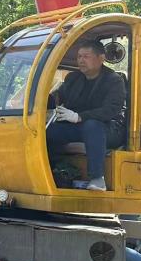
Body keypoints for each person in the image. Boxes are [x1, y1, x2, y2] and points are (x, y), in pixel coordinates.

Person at [47, 39, 126, 191]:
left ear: (101, 58)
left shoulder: (114, 80)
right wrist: (40, 99)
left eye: (86, 56)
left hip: (109, 128)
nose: (81, 60)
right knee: (48, 131)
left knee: (92, 125)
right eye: (79, 56)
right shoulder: (73, 78)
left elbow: (111, 110)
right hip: (79, 126)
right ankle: (54, 171)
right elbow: (57, 98)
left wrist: (79, 117)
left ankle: (97, 178)